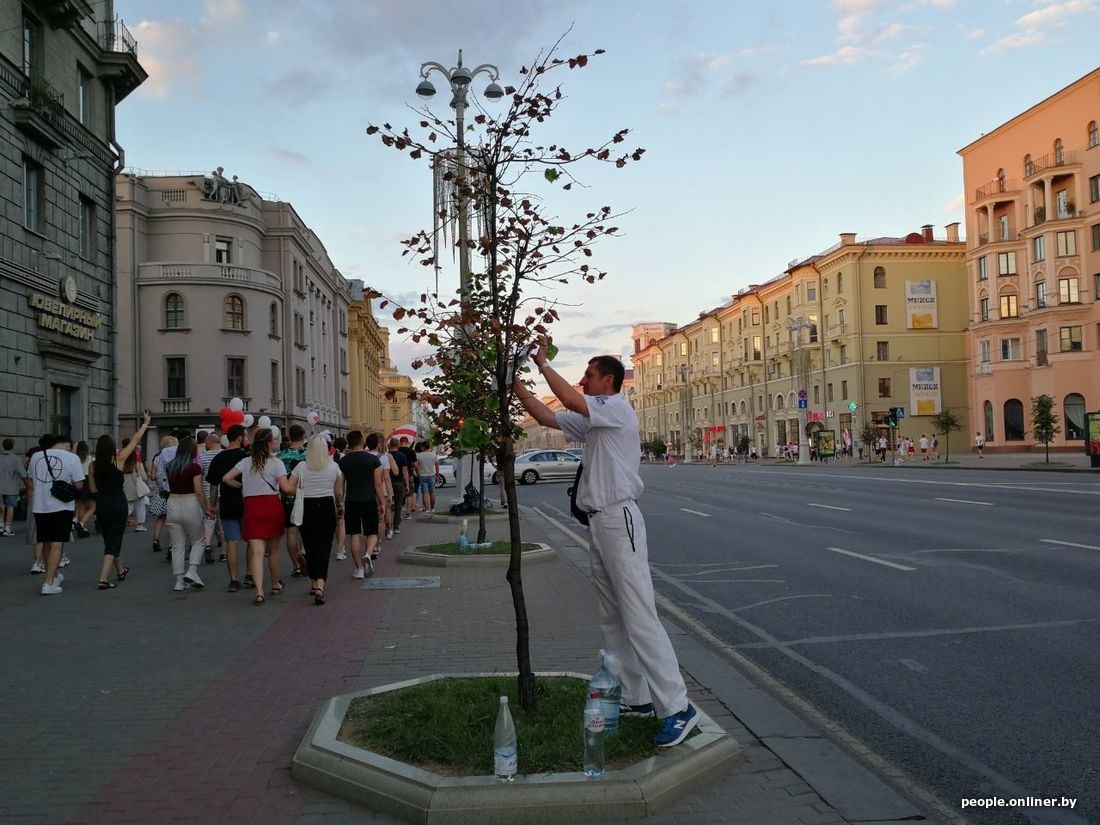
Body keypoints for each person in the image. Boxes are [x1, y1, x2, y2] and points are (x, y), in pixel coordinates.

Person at [513, 343, 698, 748]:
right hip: (599, 524)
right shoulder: (595, 420)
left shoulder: (615, 408)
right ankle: (637, 698)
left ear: (607, 382)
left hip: (619, 520)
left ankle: (679, 707)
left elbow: (567, 397)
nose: (583, 380)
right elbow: (547, 413)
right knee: (612, 617)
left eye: (590, 375)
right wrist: (515, 381)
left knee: (640, 615)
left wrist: (543, 363)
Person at [220, 427, 296, 605]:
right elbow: (286, 488)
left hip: (252, 507)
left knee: (257, 552)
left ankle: (259, 591)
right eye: (274, 440)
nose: (276, 443)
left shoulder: (246, 462)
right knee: (274, 550)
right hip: (272, 507)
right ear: (269, 443)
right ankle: (275, 584)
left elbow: (226, 478)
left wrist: (242, 488)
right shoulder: (276, 463)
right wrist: (297, 488)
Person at [92, 411, 152, 589]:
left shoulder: (93, 465)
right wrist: (145, 423)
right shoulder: (118, 459)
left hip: (101, 503)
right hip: (117, 502)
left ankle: (120, 570)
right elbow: (134, 441)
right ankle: (103, 578)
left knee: (110, 538)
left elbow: (93, 488)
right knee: (114, 539)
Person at [28, 434, 85, 595]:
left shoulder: (36, 456)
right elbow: (79, 484)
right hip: (62, 506)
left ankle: (52, 575)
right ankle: (48, 583)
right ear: (68, 444)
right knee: (58, 543)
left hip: (39, 506)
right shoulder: (72, 458)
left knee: (45, 541)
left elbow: (31, 479)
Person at [292, 436, 344, 605]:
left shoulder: (301, 466)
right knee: (324, 547)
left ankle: (314, 582)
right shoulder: (334, 467)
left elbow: (289, 487)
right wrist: (339, 506)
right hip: (327, 507)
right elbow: (338, 492)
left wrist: (301, 490)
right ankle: (320, 584)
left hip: (306, 507)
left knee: (310, 545)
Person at [164, 437, 213, 592]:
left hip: (173, 503)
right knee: (198, 540)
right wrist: (205, 508)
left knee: (177, 545)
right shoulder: (194, 468)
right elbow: (198, 492)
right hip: (190, 502)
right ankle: (192, 571)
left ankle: (179, 581)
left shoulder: (170, 466)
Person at [206, 425, 249, 592]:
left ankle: (234, 579)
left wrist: (212, 505)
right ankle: (250, 574)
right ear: (239, 437)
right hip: (246, 503)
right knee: (252, 541)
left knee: (231, 541)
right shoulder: (246, 457)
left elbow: (213, 486)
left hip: (227, 504)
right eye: (244, 436)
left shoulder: (218, 458)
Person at [339, 431, 385, 577]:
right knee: (372, 532)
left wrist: (340, 502)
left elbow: (341, 486)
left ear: (349, 443)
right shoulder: (372, 460)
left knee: (354, 534)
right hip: (369, 499)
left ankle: (359, 569)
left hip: (351, 500)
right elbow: (378, 483)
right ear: (362, 441)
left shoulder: (344, 461)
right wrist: (382, 502)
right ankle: (368, 553)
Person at [277, 424, 308, 577]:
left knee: (291, 532)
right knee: (307, 529)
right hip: (306, 496)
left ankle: (296, 565)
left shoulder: (281, 456)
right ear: (303, 436)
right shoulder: (308, 455)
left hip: (287, 498)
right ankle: (303, 552)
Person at [148, 435, 176, 553]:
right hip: (173, 490)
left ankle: (156, 540)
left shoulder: (157, 457)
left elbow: (153, 476)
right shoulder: (175, 457)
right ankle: (172, 545)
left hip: (161, 491)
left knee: (161, 517)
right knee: (173, 519)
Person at [198, 432, 222, 563]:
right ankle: (223, 547)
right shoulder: (224, 455)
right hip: (223, 492)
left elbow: (199, 476)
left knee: (210, 518)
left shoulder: (202, 457)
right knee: (222, 520)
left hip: (208, 491)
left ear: (210, 442)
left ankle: (207, 544)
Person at [0, 438, 27, 536]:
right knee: (10, 507)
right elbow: (23, 474)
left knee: (1, 506)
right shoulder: (16, 459)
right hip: (11, 487)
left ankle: (1, 526)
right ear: (13, 446)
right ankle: (7, 528)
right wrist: (27, 484)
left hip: (0, 487)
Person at [122, 444, 151, 532]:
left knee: (128, 507)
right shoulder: (138, 464)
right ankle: (140, 525)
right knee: (140, 506)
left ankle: (119, 522)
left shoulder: (122, 465)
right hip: (138, 490)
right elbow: (144, 477)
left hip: (126, 489)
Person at [386, 438, 409, 535]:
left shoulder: (386, 456)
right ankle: (396, 527)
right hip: (399, 483)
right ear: (398, 445)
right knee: (398, 506)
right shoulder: (402, 456)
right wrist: (407, 484)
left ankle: (388, 527)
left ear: (390, 445)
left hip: (388, 484)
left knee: (387, 506)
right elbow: (405, 471)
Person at [73, 440, 94, 537]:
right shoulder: (91, 459)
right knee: (92, 506)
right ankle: (81, 524)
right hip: (87, 483)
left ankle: (82, 525)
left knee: (80, 506)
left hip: (77, 482)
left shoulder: (75, 459)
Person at [415, 442, 438, 514]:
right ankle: (432, 508)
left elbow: (416, 466)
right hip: (431, 475)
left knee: (425, 493)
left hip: (423, 476)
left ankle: (427, 509)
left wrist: (418, 473)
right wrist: (437, 475)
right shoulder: (434, 455)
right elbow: (437, 466)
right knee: (432, 492)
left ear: (423, 447)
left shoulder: (419, 456)